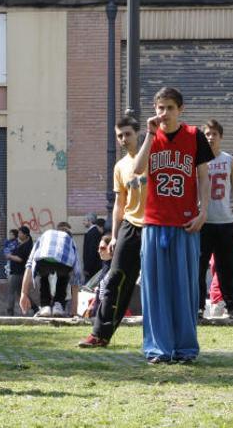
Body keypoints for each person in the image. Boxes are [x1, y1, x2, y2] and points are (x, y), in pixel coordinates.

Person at [133, 87, 213, 364]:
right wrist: (149, 136)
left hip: (185, 223)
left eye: (169, 107)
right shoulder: (151, 137)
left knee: (184, 288)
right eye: (159, 108)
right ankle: (158, 348)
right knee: (155, 290)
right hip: (154, 223)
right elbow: (137, 169)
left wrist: (204, 211)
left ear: (181, 109)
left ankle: (185, 348)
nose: (163, 113)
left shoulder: (195, 136)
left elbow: (203, 177)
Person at [79, 115, 147, 348]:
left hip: (156, 226)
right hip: (130, 225)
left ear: (137, 133)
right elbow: (119, 203)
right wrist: (115, 235)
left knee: (157, 281)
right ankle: (100, 335)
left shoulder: (153, 157)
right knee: (114, 279)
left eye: (128, 134)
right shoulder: (120, 166)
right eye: (119, 136)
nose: (123, 139)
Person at [197, 119, 233, 319]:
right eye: (207, 134)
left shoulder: (230, 160)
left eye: (214, 134)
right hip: (204, 222)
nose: (211, 137)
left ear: (221, 137)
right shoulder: (199, 160)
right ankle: (197, 307)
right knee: (199, 266)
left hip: (225, 221)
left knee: (227, 267)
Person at [19, 222, 82, 318]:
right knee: (63, 277)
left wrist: (24, 293)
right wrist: (74, 312)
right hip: (63, 262)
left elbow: (30, 265)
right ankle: (58, 305)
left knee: (44, 277)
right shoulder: (70, 241)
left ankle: (45, 307)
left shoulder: (45, 236)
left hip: (44, 259)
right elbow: (76, 273)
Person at [5, 226, 33, 316]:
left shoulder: (27, 246)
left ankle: (10, 312)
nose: (19, 234)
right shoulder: (21, 243)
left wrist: (9, 256)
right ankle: (35, 308)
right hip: (18, 271)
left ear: (25, 235)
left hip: (18, 272)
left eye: (20, 233)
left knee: (11, 292)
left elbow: (20, 259)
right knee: (21, 292)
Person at [82, 213, 103, 282]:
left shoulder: (92, 233)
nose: (83, 223)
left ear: (90, 221)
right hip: (93, 267)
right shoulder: (93, 232)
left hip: (92, 269)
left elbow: (91, 252)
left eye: (84, 220)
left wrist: (87, 268)